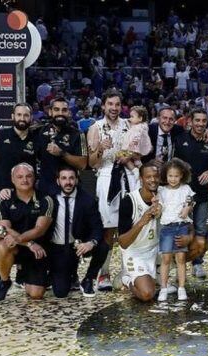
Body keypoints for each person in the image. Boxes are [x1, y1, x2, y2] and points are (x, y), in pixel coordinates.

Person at [0, 103, 39, 295]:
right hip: (1, 193)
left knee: (25, 231)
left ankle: (23, 270)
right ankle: (0, 275)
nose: (22, 118)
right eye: (19, 114)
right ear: (13, 115)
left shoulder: (35, 137)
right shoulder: (0, 135)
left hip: (25, 194)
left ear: (30, 118)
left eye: (26, 115)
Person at [87, 90, 132, 291]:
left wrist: (129, 156)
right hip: (106, 178)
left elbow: (139, 151)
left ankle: (127, 272)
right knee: (108, 229)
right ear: (103, 105)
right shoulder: (95, 128)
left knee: (128, 227)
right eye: (110, 104)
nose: (114, 108)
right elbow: (92, 163)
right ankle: (103, 273)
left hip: (128, 177)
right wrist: (100, 150)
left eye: (117, 104)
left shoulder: (129, 125)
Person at [0, 163, 54, 303]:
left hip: (38, 249)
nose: (24, 180)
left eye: (28, 176)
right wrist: (28, 243)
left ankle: (24, 274)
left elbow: (40, 229)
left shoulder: (46, 200)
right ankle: (4, 281)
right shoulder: (3, 200)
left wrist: (23, 240)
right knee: (2, 244)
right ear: (12, 179)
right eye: (19, 177)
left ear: (34, 178)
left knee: (36, 295)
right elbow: (2, 229)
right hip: (20, 246)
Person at [172, 108, 208, 278]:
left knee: (200, 230)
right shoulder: (180, 139)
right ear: (190, 121)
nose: (200, 124)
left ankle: (198, 264)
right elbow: (173, 163)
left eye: (203, 121)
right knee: (182, 230)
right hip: (182, 195)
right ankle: (178, 267)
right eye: (197, 120)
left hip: (202, 195)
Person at [48, 165, 103, 298]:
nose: (68, 182)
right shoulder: (49, 197)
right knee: (61, 292)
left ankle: (89, 279)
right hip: (55, 247)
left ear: (77, 180)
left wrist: (91, 242)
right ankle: (60, 273)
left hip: (78, 245)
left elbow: (97, 226)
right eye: (64, 178)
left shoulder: (87, 199)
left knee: (103, 245)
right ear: (58, 181)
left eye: (71, 178)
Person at [117, 162, 163, 302]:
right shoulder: (129, 201)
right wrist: (143, 220)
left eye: (155, 176)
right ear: (141, 179)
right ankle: (126, 279)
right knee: (147, 294)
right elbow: (123, 243)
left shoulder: (164, 195)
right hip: (136, 252)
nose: (153, 180)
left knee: (196, 244)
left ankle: (159, 274)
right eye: (148, 177)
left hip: (158, 249)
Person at [157, 158, 196, 302]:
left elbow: (190, 201)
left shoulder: (185, 189)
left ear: (182, 176)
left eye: (176, 176)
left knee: (181, 258)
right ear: (165, 176)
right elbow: (160, 206)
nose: (173, 179)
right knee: (166, 258)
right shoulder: (162, 190)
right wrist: (157, 208)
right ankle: (164, 288)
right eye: (170, 176)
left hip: (181, 226)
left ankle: (181, 288)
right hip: (167, 227)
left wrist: (187, 208)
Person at [36, 97, 88, 195]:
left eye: (64, 110)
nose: (60, 113)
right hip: (45, 190)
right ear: (50, 112)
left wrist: (62, 153)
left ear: (69, 113)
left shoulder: (77, 134)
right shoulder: (39, 132)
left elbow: (83, 164)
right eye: (56, 110)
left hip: (70, 189)